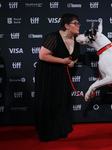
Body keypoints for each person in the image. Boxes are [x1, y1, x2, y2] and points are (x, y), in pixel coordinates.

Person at [34, 13, 80, 142]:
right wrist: (62, 61)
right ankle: (48, 131)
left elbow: (75, 56)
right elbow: (43, 55)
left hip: (63, 75)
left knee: (62, 100)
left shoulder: (76, 40)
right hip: (48, 73)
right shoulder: (53, 37)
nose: (78, 26)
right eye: (75, 23)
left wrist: (73, 62)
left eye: (78, 23)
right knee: (50, 100)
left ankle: (60, 128)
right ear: (66, 25)